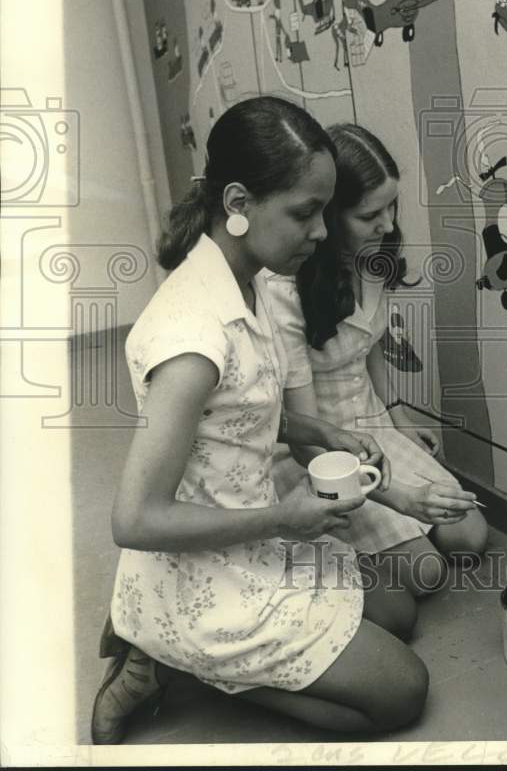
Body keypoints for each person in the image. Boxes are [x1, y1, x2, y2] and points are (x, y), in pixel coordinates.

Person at [91, 98, 428, 745]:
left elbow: (235, 418)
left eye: (325, 212)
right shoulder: (192, 337)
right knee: (402, 692)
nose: (324, 232)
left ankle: (186, 659)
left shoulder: (250, 279)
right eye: (305, 213)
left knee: (398, 609)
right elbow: (134, 520)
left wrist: (319, 433)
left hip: (245, 525)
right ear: (239, 202)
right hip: (204, 562)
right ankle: (175, 665)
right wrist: (283, 519)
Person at [269, 123, 488, 599]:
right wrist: (403, 499)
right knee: (426, 576)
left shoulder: (375, 258)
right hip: (317, 452)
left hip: (372, 426)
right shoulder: (287, 292)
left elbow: (370, 350)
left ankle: (393, 537)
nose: (388, 224)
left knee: (469, 537)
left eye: (392, 206)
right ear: (329, 218)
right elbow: (306, 435)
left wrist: (398, 418)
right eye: (371, 213)